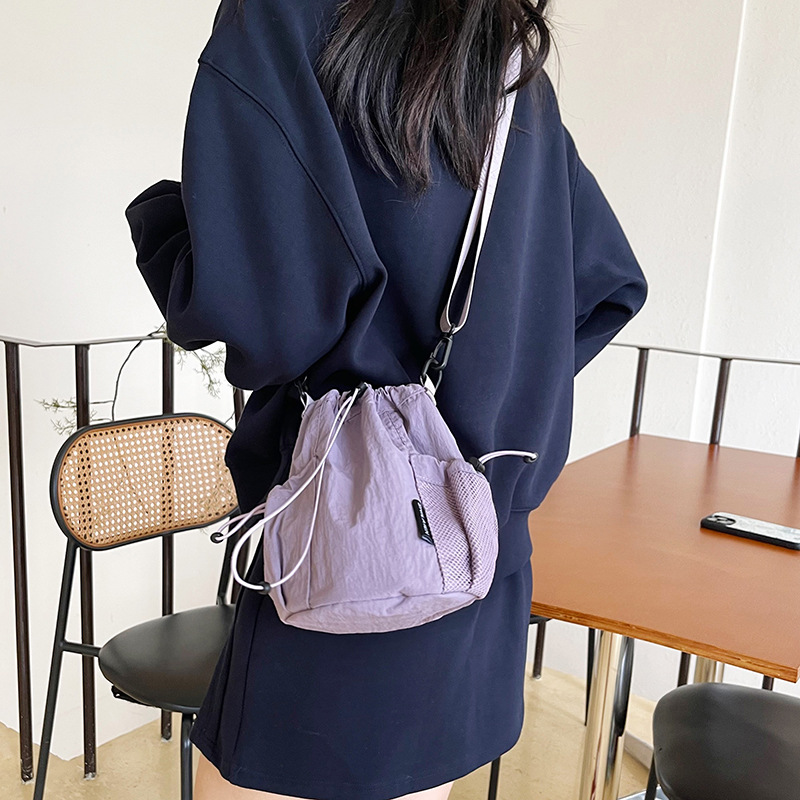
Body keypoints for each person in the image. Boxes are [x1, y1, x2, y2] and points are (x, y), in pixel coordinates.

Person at [125, 0, 647, 796]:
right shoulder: (508, 61)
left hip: (341, 552)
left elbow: (265, 312)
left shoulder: (285, 17)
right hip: (473, 557)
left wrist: (162, 227)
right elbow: (604, 285)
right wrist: (477, 408)